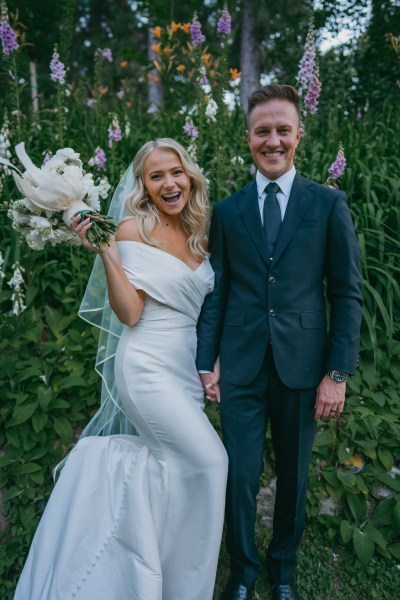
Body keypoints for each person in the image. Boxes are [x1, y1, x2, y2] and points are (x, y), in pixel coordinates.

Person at [14, 138, 228, 600]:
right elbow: (130, 314)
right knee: (211, 462)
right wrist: (107, 252)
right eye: (156, 176)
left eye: (175, 172)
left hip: (185, 373)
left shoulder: (201, 236)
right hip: (147, 367)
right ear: (143, 186)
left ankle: (147, 575)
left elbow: (207, 315)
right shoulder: (132, 230)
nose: (168, 183)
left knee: (176, 473)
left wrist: (213, 366)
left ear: (189, 175)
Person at [196, 84, 362, 600]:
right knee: (238, 475)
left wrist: (336, 375)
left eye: (282, 130)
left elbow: (347, 293)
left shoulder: (328, 203)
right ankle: (242, 573)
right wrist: (207, 361)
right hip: (241, 367)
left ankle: (283, 572)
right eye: (262, 131)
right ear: (248, 138)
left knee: (292, 478)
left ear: (298, 135)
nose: (273, 141)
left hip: (303, 366)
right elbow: (217, 292)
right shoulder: (228, 210)